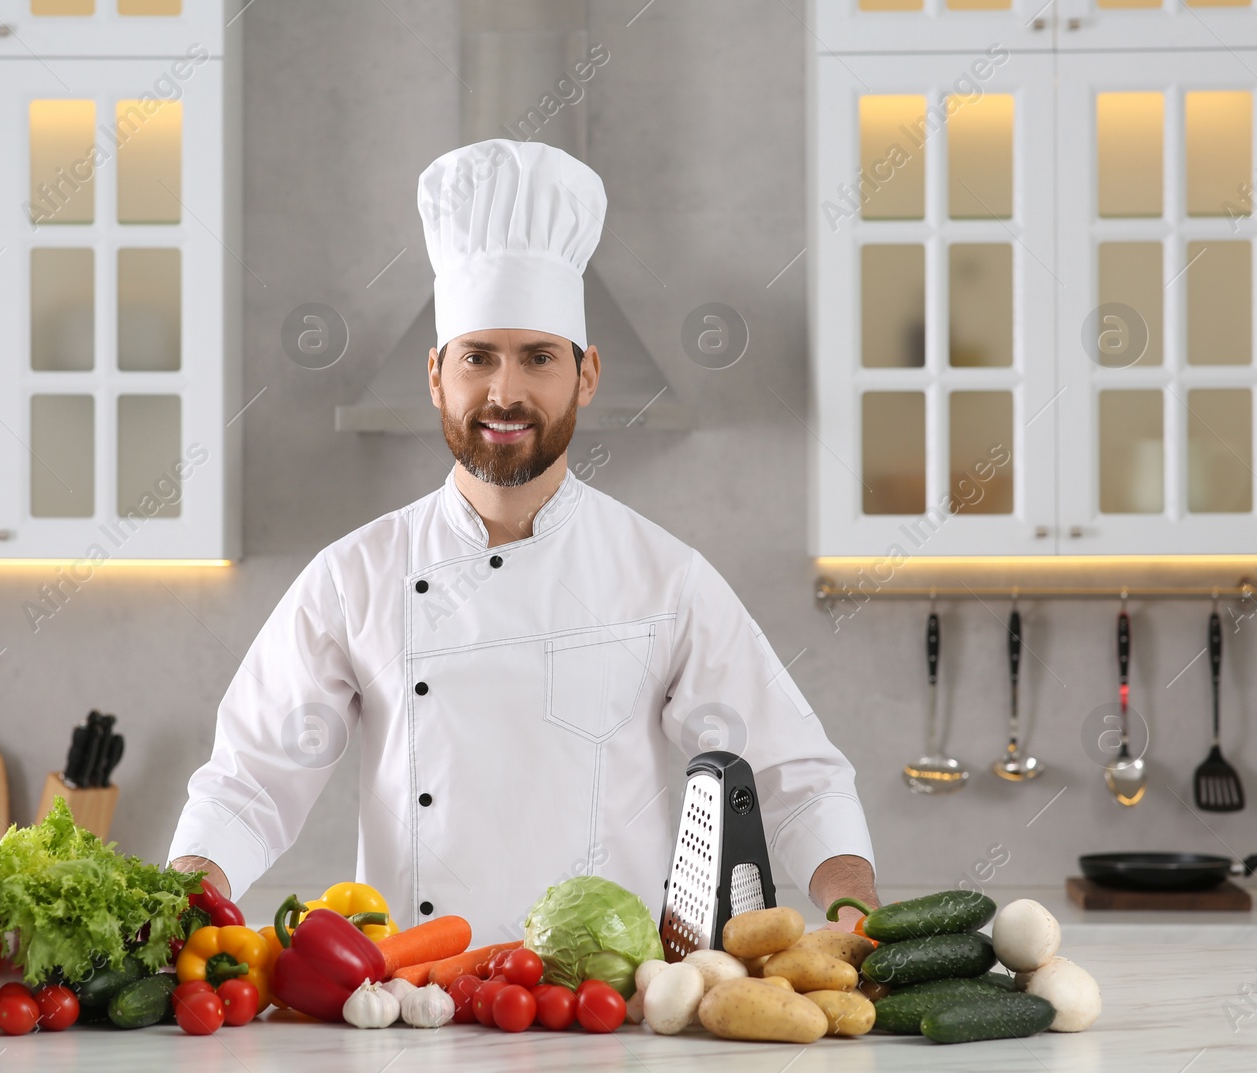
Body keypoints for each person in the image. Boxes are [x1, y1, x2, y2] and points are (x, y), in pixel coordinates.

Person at [170, 138, 879, 940]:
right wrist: (179, 901)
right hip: (415, 1007)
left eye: (538, 358)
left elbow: (795, 774)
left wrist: (857, 911)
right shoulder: (353, 577)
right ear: (437, 373)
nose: (504, 392)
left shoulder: (665, 577)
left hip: (614, 1017)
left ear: (586, 375)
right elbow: (249, 783)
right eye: (479, 358)